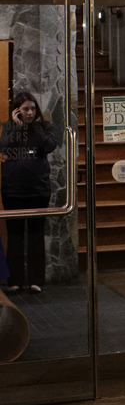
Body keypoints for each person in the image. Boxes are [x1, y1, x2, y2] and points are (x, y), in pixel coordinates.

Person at [1, 92, 59, 294]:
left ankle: (36, 280)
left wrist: (35, 126)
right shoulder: (9, 127)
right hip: (13, 190)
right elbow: (4, 147)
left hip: (38, 188)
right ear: (17, 110)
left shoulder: (44, 127)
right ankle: (14, 281)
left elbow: (50, 146)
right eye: (25, 109)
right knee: (15, 235)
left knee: (36, 234)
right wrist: (17, 128)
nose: (30, 112)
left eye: (33, 108)